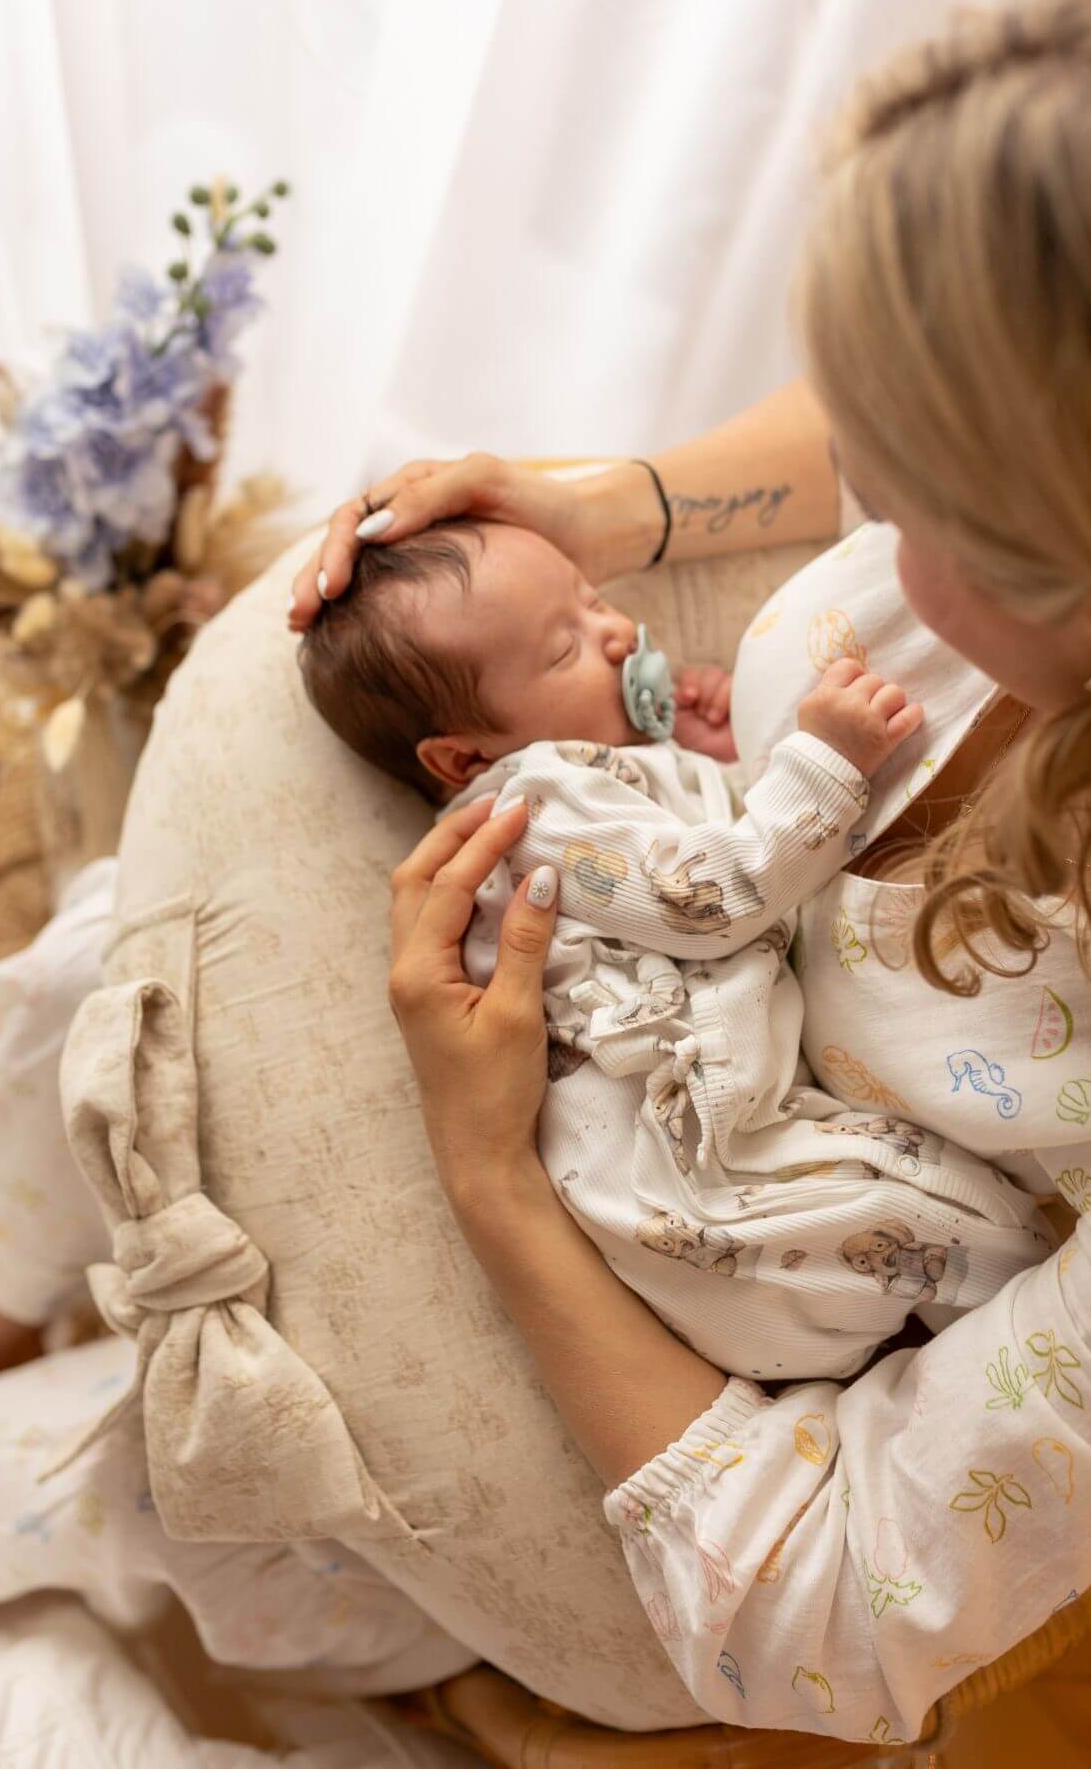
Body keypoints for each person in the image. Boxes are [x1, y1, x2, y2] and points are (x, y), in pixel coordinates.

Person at [294, 0, 1091, 1740]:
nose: (847, 488)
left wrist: (484, 1164)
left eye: (893, 478)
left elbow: (820, 1616)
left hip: (698, 1218)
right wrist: (612, 507)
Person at [298, 516, 1049, 1378]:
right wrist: (821, 761)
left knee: (951, 1235)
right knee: (985, 1243)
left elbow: (694, 870)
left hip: (741, 1138)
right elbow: (706, 898)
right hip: (691, 1177)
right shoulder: (530, 804)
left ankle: (916, 1348)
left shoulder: (610, 778)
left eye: (593, 602)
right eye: (562, 648)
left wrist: (715, 763)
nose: (616, 633)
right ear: (465, 755)